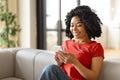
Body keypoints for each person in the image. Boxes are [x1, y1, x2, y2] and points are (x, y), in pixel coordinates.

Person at [39, 5, 104, 80]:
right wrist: (58, 63)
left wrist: (75, 62)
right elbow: (60, 73)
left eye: (79, 25)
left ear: (88, 26)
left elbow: (94, 77)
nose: (74, 29)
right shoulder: (66, 44)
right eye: (72, 25)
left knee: (50, 68)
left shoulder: (95, 47)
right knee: (51, 68)